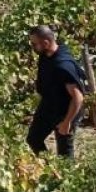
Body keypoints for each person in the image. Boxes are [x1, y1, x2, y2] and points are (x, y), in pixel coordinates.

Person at [26, 26, 88, 158]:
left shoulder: (62, 66)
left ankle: (64, 177)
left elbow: (78, 98)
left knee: (64, 155)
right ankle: (50, 170)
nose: (32, 47)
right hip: (50, 105)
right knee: (33, 139)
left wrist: (67, 123)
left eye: (34, 43)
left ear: (46, 43)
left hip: (66, 112)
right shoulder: (46, 54)